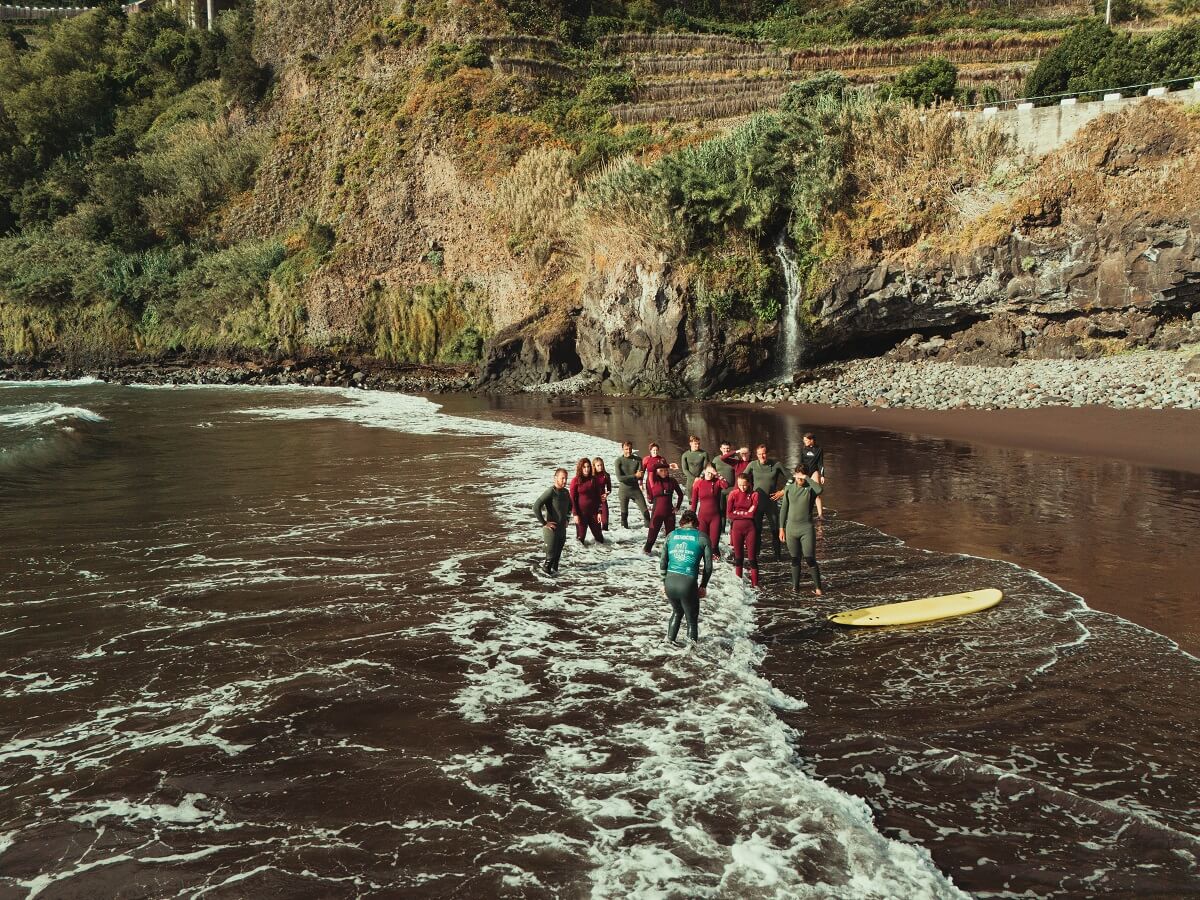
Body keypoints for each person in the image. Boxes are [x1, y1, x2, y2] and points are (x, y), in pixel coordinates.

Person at [660, 510, 713, 643]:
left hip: (670, 581)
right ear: (695, 523)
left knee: (677, 612)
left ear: (682, 522)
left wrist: (663, 583)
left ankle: (668, 643)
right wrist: (703, 585)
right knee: (691, 620)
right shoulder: (702, 537)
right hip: (687, 582)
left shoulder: (671, 535)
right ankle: (691, 652)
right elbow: (708, 566)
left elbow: (663, 562)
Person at [778, 465, 824, 596]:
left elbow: (820, 490)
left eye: (802, 476)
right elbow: (784, 509)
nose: (800, 479)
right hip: (791, 529)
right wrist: (781, 528)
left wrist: (807, 478)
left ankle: (818, 588)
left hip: (806, 529)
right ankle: (795, 588)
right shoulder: (789, 489)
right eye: (798, 476)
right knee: (795, 559)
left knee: (810, 558)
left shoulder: (810, 489)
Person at [745, 444, 789, 561]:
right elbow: (742, 478)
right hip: (757, 503)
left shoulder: (776, 464)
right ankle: (756, 556)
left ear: (767, 453)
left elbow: (791, 478)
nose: (762, 456)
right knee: (757, 530)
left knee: (775, 530)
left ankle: (778, 557)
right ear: (756, 455)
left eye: (764, 453)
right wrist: (747, 494)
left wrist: (783, 491)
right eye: (759, 454)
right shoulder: (752, 465)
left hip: (771, 502)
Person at [533, 468, 571, 574]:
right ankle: (543, 582)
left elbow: (570, 506)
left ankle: (555, 583)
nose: (565, 481)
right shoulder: (551, 492)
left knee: (556, 562)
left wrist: (567, 519)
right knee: (549, 562)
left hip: (562, 530)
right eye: (562, 478)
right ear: (555, 478)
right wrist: (544, 523)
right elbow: (536, 507)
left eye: (566, 478)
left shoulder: (566, 492)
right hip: (551, 531)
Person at [726, 473, 760, 587]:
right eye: (740, 485)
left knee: (752, 558)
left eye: (744, 485)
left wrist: (738, 513)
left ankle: (755, 585)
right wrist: (745, 513)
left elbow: (752, 514)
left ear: (749, 484)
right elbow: (729, 514)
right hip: (736, 529)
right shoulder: (733, 494)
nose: (742, 487)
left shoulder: (754, 494)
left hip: (750, 529)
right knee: (738, 558)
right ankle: (739, 586)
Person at [644, 462, 683, 555]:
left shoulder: (672, 481)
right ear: (656, 472)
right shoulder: (654, 480)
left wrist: (677, 507)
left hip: (670, 513)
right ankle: (645, 555)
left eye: (666, 470)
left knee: (671, 537)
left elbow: (680, 495)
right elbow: (651, 468)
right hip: (657, 512)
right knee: (651, 537)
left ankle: (669, 556)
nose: (664, 472)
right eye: (661, 470)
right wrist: (667, 465)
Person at [690, 463, 727, 557]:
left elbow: (726, 485)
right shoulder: (698, 483)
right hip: (702, 517)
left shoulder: (717, 482)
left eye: (712, 473)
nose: (710, 475)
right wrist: (691, 516)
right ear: (704, 471)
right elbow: (694, 502)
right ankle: (703, 563)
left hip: (715, 518)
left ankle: (718, 563)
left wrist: (717, 474)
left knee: (714, 545)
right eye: (708, 472)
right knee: (702, 543)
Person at [569, 458, 605, 545]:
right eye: (584, 467)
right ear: (580, 468)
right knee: (580, 539)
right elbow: (572, 499)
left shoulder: (594, 480)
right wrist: (575, 514)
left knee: (599, 538)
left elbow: (598, 497)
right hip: (581, 514)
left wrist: (599, 512)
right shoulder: (575, 481)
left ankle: (602, 552)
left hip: (594, 514)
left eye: (588, 467)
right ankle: (580, 553)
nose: (586, 469)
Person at [613, 441, 649, 529]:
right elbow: (620, 478)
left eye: (630, 449)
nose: (628, 451)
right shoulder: (618, 461)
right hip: (623, 491)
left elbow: (640, 476)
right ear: (622, 449)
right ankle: (625, 534)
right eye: (626, 449)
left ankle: (649, 531)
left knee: (646, 513)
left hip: (635, 490)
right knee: (624, 516)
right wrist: (634, 476)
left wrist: (637, 476)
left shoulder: (638, 460)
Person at [712, 441, 737, 535]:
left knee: (731, 511)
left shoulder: (734, 459)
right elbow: (711, 471)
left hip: (731, 489)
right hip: (720, 489)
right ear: (720, 449)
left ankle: (733, 531)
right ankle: (721, 530)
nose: (726, 450)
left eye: (728, 448)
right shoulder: (716, 459)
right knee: (721, 510)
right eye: (724, 448)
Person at [800, 432, 827, 520]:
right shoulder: (803, 449)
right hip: (804, 472)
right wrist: (799, 473)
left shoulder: (819, 449)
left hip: (814, 472)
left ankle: (820, 515)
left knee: (817, 493)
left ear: (811, 440)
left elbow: (820, 463)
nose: (804, 442)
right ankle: (804, 513)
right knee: (804, 493)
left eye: (806, 440)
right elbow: (800, 462)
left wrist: (822, 475)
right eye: (804, 440)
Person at [592, 457, 613, 531]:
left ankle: (606, 537)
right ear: (594, 466)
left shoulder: (606, 475)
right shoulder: (591, 476)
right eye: (598, 465)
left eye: (601, 465)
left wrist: (606, 494)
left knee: (605, 522)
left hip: (603, 500)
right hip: (593, 501)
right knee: (595, 524)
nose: (600, 467)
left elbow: (609, 489)